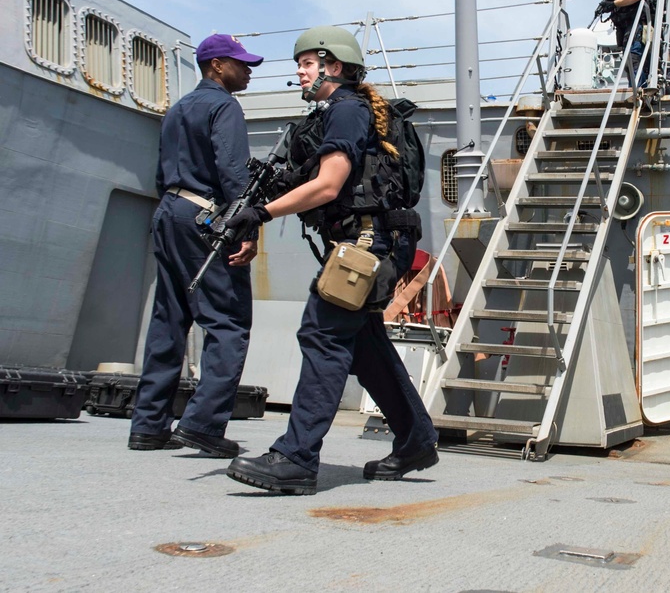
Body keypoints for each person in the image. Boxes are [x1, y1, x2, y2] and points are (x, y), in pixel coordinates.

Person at [224, 26, 438, 495]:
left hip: (367, 243)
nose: (298, 73)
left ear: (332, 66)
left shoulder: (345, 111)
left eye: (305, 63)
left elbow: (327, 186)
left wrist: (260, 213)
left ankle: (296, 458)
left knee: (322, 334)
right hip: (376, 240)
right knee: (362, 344)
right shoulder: (348, 112)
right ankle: (417, 439)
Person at [128, 34, 264, 457]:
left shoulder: (178, 108)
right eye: (242, 64)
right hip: (205, 216)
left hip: (169, 211)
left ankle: (148, 427)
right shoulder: (224, 106)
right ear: (217, 65)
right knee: (228, 321)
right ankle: (203, 425)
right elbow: (233, 173)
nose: (249, 71)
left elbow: (159, 170)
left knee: (169, 319)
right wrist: (247, 231)